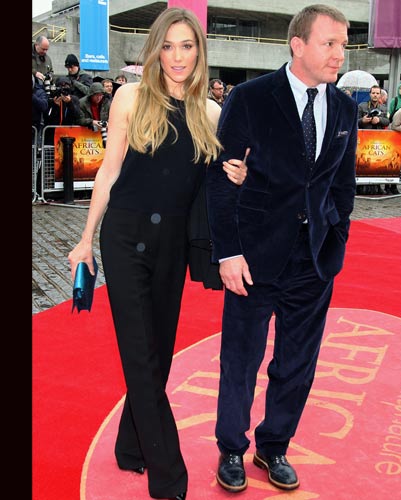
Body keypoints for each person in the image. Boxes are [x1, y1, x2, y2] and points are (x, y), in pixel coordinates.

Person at [67, 7, 247, 500]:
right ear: (155, 51)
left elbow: (217, 186)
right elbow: (107, 173)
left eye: (186, 45)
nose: (177, 56)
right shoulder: (130, 98)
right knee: (141, 359)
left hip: (172, 247)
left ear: (200, 51)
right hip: (123, 239)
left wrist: (238, 177)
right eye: (167, 46)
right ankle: (170, 479)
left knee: (157, 357)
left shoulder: (211, 114)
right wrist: (86, 239)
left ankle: (131, 446)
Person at [206, 3, 358, 493]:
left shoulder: (344, 108)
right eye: (329, 43)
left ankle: (274, 447)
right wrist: (228, 252)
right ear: (298, 44)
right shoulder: (251, 98)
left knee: (297, 363)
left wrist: (335, 241)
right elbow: (222, 178)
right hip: (253, 256)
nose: (340, 53)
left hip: (313, 260)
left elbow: (342, 186)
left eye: (343, 43)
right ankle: (232, 447)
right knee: (241, 358)